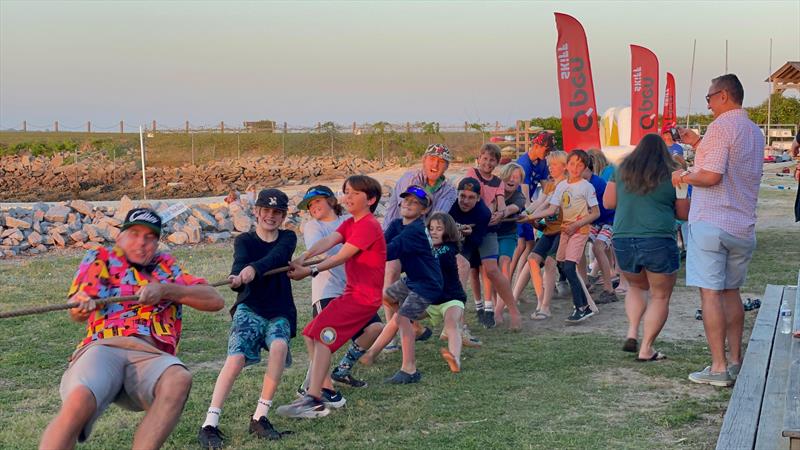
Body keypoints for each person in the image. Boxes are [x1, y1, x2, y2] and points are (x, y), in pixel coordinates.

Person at [41, 208, 224, 450]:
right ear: (120, 237)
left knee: (179, 378)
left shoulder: (165, 267)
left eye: (150, 237)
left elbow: (215, 300)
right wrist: (81, 306)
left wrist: (165, 290)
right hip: (103, 346)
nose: (141, 242)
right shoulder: (102, 257)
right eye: (134, 233)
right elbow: (76, 308)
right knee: (79, 400)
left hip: (150, 353)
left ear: (157, 243)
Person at [671, 74, 763, 387]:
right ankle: (735, 360)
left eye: (709, 98)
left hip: (713, 221)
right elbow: (730, 163)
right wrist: (697, 143)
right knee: (731, 292)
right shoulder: (753, 131)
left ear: (723, 95)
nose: (707, 104)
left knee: (709, 294)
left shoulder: (721, 127)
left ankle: (717, 366)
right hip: (743, 224)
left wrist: (682, 177)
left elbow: (711, 176)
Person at [277, 175, 386, 418]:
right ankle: (316, 392)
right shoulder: (350, 223)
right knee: (311, 332)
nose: (348, 197)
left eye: (355, 193)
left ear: (370, 199)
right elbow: (328, 242)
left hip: (363, 298)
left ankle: (315, 398)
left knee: (321, 334)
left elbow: (341, 256)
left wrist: (309, 270)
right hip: (352, 294)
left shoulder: (369, 225)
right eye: (346, 191)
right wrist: (302, 258)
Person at [198, 189, 299, 448]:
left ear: (284, 215)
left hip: (279, 309)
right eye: (266, 210)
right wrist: (236, 279)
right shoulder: (244, 240)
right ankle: (209, 424)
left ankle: (260, 418)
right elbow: (240, 264)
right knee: (236, 359)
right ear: (256, 212)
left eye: (277, 212)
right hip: (250, 307)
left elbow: (276, 258)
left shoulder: (288, 237)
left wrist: (254, 269)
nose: (271, 216)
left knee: (279, 346)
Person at [604, 134, 690, 361]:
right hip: (658, 238)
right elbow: (683, 214)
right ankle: (646, 348)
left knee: (636, 287)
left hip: (623, 237)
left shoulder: (620, 169)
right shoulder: (675, 175)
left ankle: (632, 331)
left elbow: (608, 202)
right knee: (660, 296)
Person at [297, 185, 383, 389]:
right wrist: (303, 259)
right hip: (327, 291)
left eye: (317, 200)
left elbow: (347, 253)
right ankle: (319, 387)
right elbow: (321, 250)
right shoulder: (313, 226)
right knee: (319, 337)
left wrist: (310, 268)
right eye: (310, 205)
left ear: (331, 201)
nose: (313, 207)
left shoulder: (352, 222)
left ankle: (340, 372)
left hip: (353, 292)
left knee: (375, 328)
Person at [360, 185, 442, 383]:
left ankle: (409, 369)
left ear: (424, 210)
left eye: (415, 202)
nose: (408, 204)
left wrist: (357, 253)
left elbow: (387, 252)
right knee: (387, 296)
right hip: (413, 279)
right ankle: (414, 327)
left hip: (428, 283)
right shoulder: (398, 224)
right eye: (406, 200)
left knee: (402, 317)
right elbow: (381, 242)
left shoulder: (416, 231)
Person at [525, 150, 600, 323]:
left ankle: (581, 307)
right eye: (572, 164)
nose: (575, 168)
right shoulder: (561, 186)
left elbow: (595, 213)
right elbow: (551, 209)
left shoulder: (586, 187)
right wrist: (530, 217)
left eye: (580, 165)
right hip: (565, 231)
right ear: (567, 165)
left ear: (585, 168)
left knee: (568, 267)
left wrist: (577, 224)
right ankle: (585, 305)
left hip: (578, 232)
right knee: (561, 263)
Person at [449, 177, 522, 329]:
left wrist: (467, 234)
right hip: (462, 237)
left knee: (492, 270)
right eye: (462, 196)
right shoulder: (451, 207)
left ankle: (514, 312)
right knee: (460, 271)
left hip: (484, 233)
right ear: (457, 194)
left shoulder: (483, 212)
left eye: (471, 197)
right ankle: (459, 321)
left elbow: (475, 240)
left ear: (478, 198)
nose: (465, 201)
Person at [517, 151, 568, 320]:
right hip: (549, 229)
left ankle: (546, 307)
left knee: (551, 263)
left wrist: (528, 217)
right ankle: (540, 301)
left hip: (564, 230)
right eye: (549, 164)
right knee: (532, 259)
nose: (550, 168)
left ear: (564, 166)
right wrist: (524, 213)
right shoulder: (550, 184)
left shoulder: (568, 185)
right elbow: (540, 202)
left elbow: (549, 208)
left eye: (553, 165)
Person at [465, 143, 508, 326]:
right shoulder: (471, 173)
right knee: (473, 270)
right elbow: (474, 195)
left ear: (497, 163)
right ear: (479, 159)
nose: (488, 163)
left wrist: (501, 213)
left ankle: (489, 307)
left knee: (488, 268)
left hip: (488, 227)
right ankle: (479, 305)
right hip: (472, 226)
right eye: (485, 158)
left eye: (492, 160)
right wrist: (488, 211)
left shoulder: (498, 182)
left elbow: (500, 201)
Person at [426, 212, 467, 372]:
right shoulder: (426, 248)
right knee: (403, 316)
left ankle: (455, 359)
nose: (434, 232)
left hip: (451, 299)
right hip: (430, 301)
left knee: (451, 325)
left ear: (448, 231)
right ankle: (417, 331)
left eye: (439, 229)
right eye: (431, 228)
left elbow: (437, 257)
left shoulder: (448, 249)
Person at [582, 156, 618, 305]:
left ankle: (609, 289)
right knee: (580, 241)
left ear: (587, 168)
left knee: (598, 247)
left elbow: (596, 209)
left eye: (578, 167)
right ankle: (584, 282)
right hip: (596, 221)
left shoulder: (595, 183)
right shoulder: (585, 182)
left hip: (609, 220)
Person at [493, 162, 527, 319]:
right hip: (490, 235)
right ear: (503, 176)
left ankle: (499, 309)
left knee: (505, 262)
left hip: (508, 234)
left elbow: (512, 208)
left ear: (520, 182)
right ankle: (493, 305)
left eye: (517, 177)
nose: (512, 179)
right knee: (491, 270)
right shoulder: (492, 190)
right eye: (510, 175)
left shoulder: (519, 196)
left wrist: (502, 212)